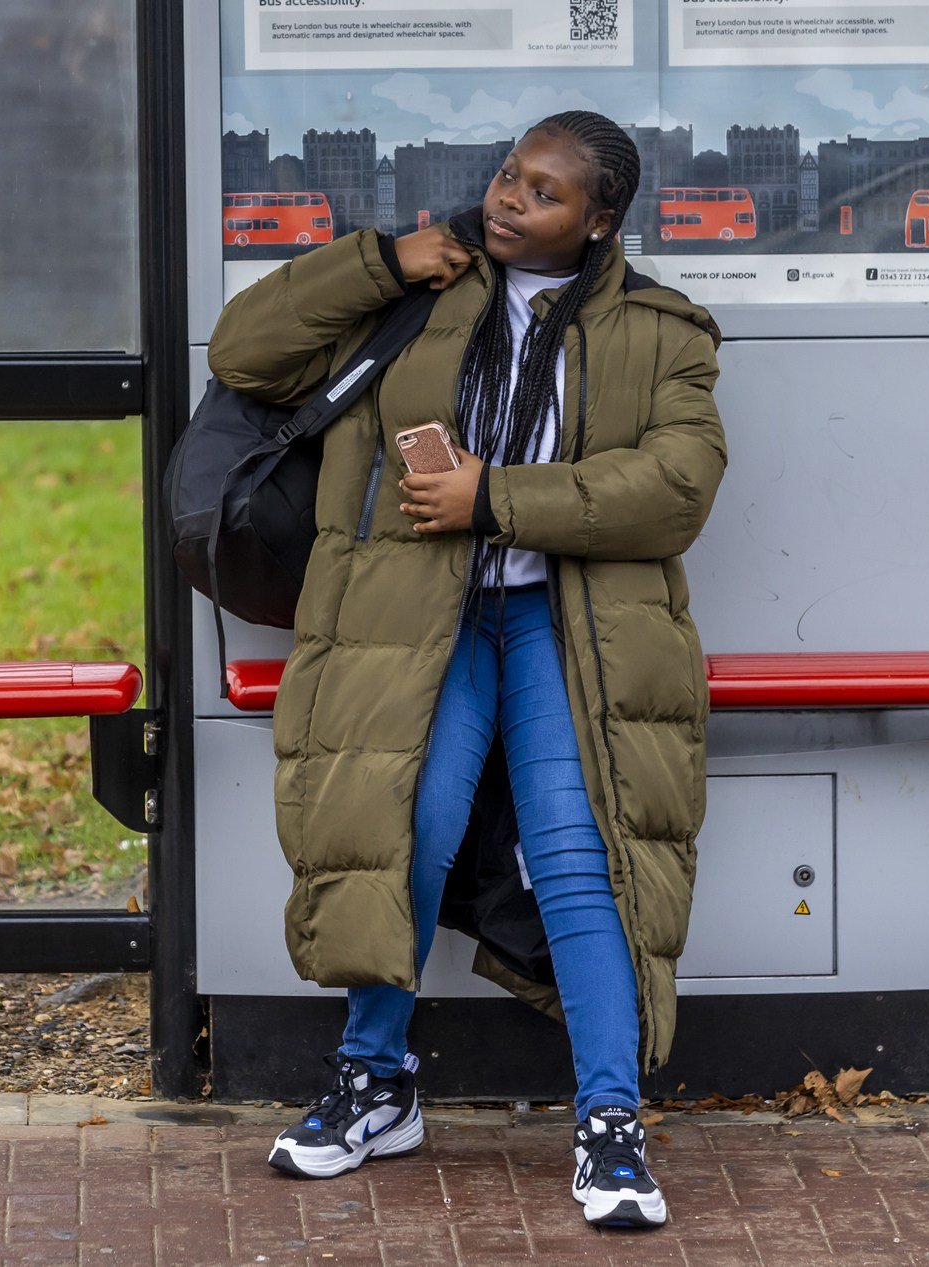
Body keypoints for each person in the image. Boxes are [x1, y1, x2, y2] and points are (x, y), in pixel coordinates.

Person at [207, 110, 725, 1230]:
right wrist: (378, 259)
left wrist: (494, 498)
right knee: (404, 835)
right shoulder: (415, 290)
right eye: (506, 175)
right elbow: (243, 355)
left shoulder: (661, 329)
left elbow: (678, 486)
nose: (507, 199)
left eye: (542, 193)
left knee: (580, 860)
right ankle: (375, 1081)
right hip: (413, 622)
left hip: (564, 627)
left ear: (599, 222)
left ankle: (610, 1119)